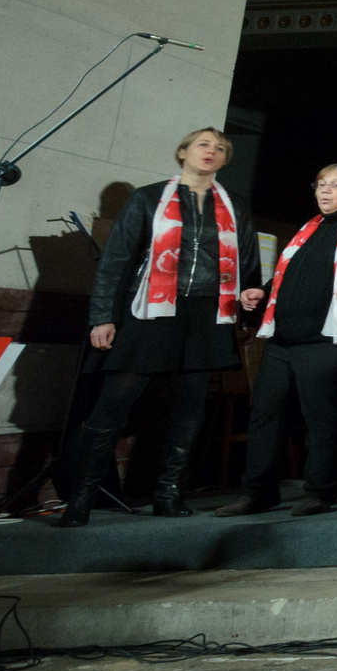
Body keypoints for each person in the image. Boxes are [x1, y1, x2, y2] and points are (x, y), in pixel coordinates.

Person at [66, 128, 267, 525]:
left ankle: (168, 492)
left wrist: (248, 313)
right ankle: (82, 495)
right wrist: (102, 316)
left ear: (226, 160)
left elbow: (248, 263)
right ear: (183, 152)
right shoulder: (148, 197)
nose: (211, 152)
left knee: (190, 407)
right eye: (203, 145)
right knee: (113, 403)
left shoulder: (235, 204)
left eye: (220, 148)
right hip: (151, 311)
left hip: (208, 313)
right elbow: (116, 261)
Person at [218, 164, 337, 516]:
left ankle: (321, 490)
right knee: (264, 416)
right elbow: (293, 276)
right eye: (321, 184)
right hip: (283, 341)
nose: (325, 191)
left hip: (328, 340)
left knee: (324, 419)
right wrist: (263, 292)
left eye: (336, 185)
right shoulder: (309, 228)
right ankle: (257, 491)